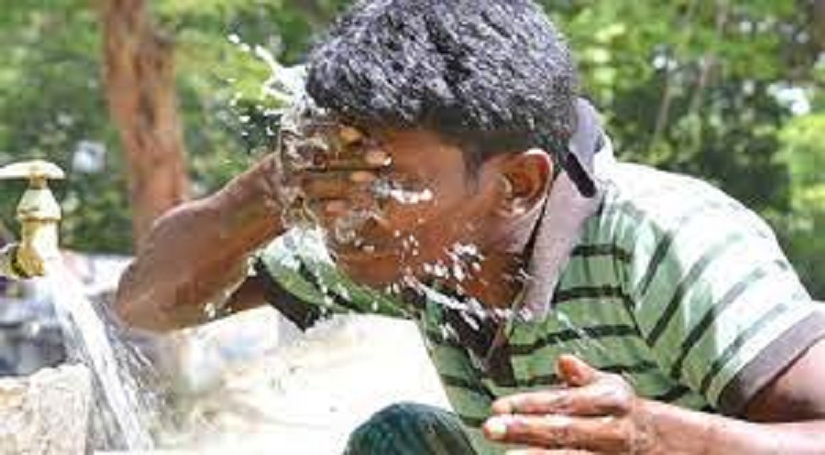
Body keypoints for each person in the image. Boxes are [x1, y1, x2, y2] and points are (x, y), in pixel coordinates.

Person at [114, 0, 825, 453]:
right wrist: (268, 189)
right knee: (399, 440)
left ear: (517, 184)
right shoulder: (407, 243)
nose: (341, 206)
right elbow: (149, 303)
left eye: (384, 178)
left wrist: (659, 435)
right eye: (329, 169)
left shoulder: (666, 240)